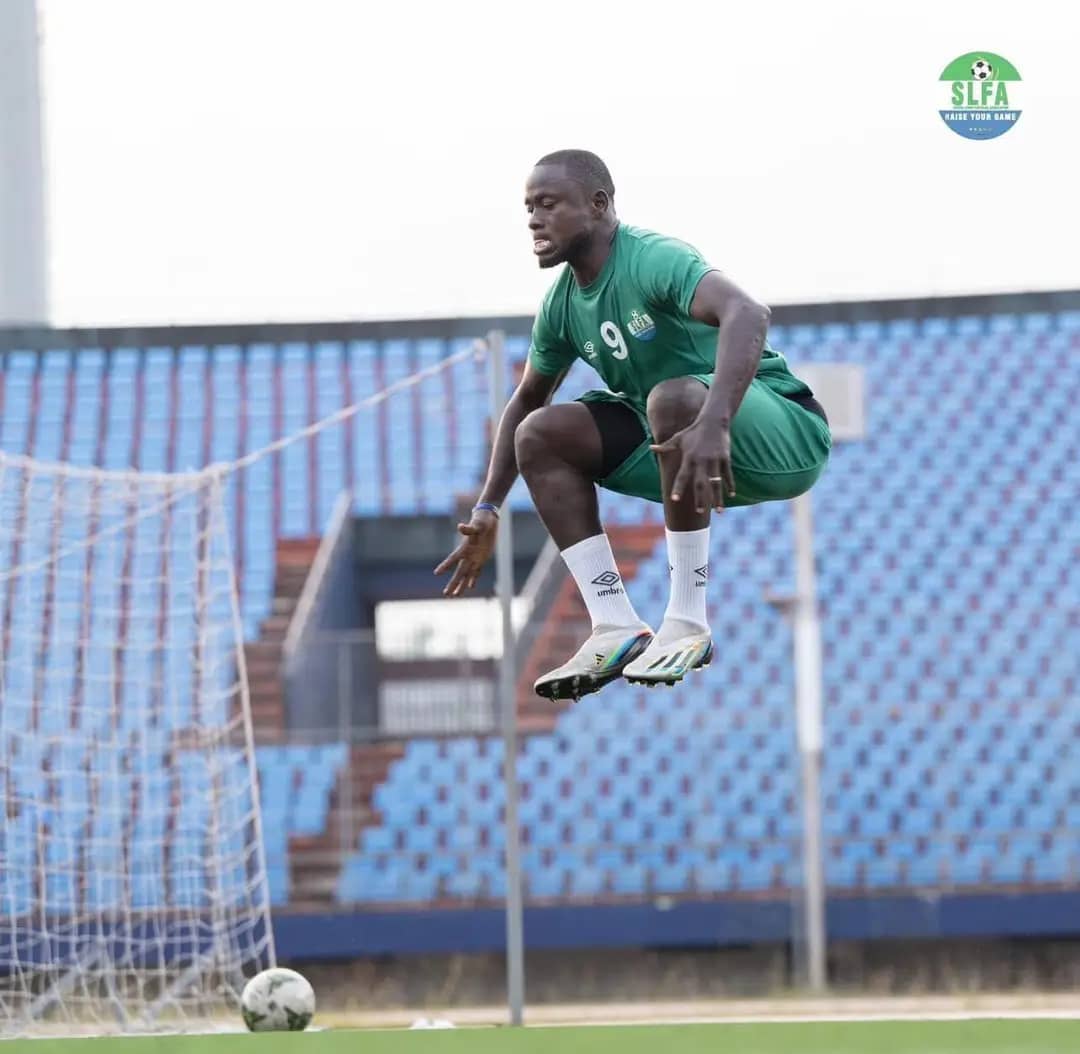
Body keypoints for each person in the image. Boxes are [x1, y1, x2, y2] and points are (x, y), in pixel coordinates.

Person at [435, 149, 831, 699]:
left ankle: (687, 622)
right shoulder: (561, 306)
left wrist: (715, 422)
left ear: (598, 205)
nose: (533, 220)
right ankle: (614, 625)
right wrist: (487, 507)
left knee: (671, 399)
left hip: (780, 434)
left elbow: (748, 312)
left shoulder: (652, 258)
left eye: (548, 204)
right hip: (679, 440)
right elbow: (525, 400)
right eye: (528, 208)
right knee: (541, 434)